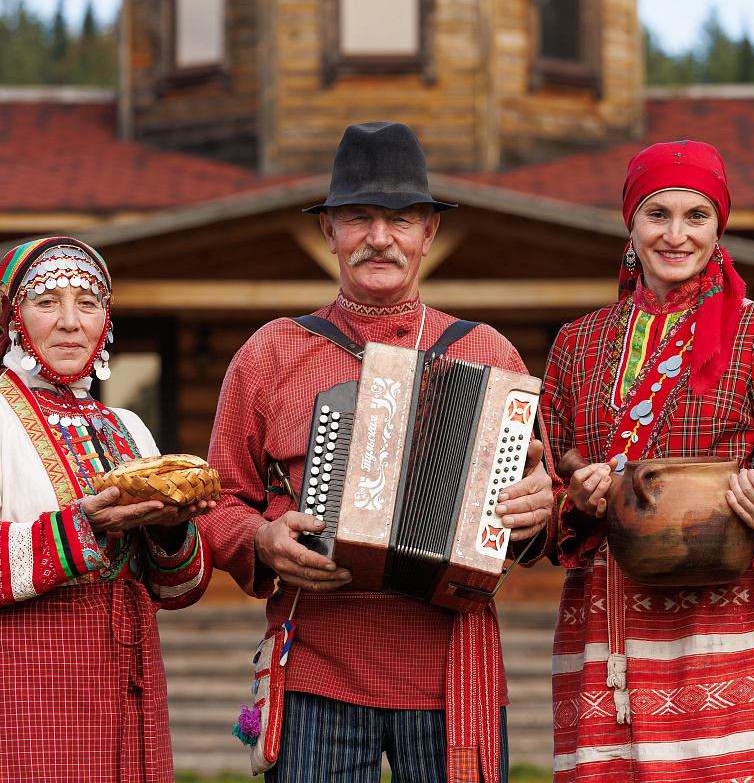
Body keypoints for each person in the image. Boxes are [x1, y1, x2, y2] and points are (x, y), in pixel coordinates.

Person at [198, 122, 554, 783]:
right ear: (328, 231)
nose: (380, 237)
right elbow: (218, 497)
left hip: (451, 668)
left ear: (429, 233)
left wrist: (540, 508)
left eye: (400, 219)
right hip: (313, 665)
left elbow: (540, 513)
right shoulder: (271, 351)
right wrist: (262, 538)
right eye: (358, 218)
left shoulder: (489, 352)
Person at [537, 140, 754, 782]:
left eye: (695, 215)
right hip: (607, 621)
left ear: (719, 225)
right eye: (657, 213)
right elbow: (545, 492)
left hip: (724, 624)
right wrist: (575, 503)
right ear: (630, 224)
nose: (675, 234)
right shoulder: (577, 344)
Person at [0, 237, 214, 783]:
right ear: (14, 320)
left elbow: (175, 589)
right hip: (15, 687)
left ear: (107, 320)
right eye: (47, 302)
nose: (71, 322)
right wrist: (84, 524)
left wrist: (173, 528)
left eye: (88, 302)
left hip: (124, 676)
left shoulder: (129, 428)